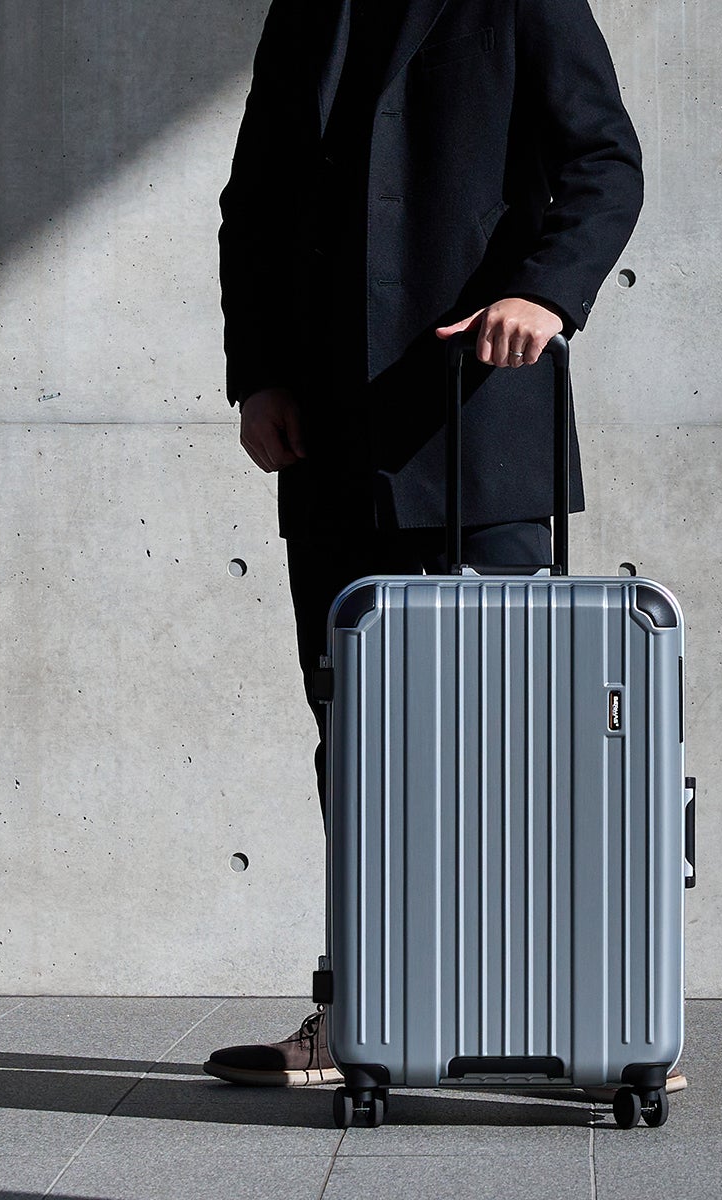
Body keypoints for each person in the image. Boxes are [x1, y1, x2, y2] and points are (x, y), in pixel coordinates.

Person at [202, 0, 680, 1099]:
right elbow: (255, 200)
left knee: (514, 744)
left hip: (476, 427)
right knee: (355, 742)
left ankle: (590, 1016)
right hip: (329, 437)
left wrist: (544, 293)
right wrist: (259, 373)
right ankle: (364, 1010)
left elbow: (604, 160)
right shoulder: (306, 7)